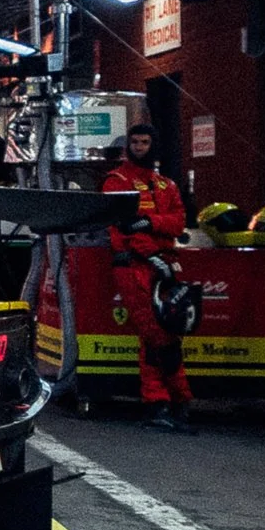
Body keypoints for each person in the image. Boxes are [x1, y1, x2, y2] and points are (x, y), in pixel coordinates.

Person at [101, 120, 194, 427]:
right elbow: (124, 229)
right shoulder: (116, 181)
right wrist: (152, 252)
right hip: (134, 266)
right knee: (157, 333)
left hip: (166, 265)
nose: (139, 147)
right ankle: (175, 398)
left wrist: (150, 222)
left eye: (145, 142)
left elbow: (178, 222)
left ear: (154, 145)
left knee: (165, 331)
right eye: (135, 142)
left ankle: (163, 402)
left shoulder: (167, 184)